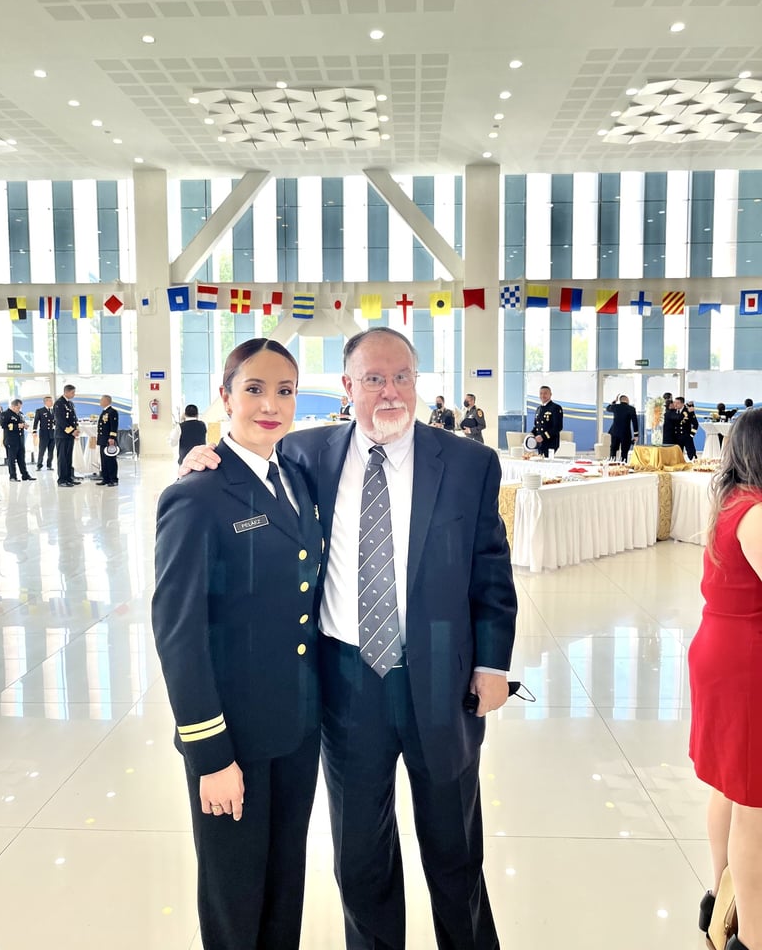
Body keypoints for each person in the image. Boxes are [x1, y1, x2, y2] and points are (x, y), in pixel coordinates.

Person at [182, 326, 519, 950]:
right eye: (373, 379)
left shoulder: (469, 464)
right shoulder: (307, 454)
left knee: (455, 853)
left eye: (401, 378)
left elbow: (491, 571)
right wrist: (201, 457)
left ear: (417, 383)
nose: (388, 392)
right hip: (345, 686)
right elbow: (242, 464)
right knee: (361, 860)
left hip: (442, 686)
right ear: (346, 388)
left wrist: (493, 663)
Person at [152, 339, 322, 950]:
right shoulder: (196, 496)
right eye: (254, 389)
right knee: (234, 895)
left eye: (285, 391)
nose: (270, 404)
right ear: (225, 398)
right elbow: (178, 634)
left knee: (284, 887)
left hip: (297, 730)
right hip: (234, 741)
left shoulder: (295, 478)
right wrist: (210, 755)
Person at [688, 408, 762, 950]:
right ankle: (753, 936)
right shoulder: (756, 511)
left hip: (723, 651)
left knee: (732, 788)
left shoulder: (733, 501)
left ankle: (719, 904)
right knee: (756, 806)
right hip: (747, 663)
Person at [54, 384, 81, 487]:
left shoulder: (69, 403)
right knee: (62, 458)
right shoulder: (59, 403)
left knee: (68, 457)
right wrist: (71, 431)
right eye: (72, 392)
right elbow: (60, 420)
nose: (74, 394)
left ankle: (69, 478)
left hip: (70, 435)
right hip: (62, 435)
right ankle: (62, 480)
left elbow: (73, 418)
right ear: (66, 392)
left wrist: (76, 429)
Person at [1, 399, 35, 482]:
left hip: (20, 439)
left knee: (21, 458)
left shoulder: (20, 414)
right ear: (13, 406)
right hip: (11, 440)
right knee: (11, 459)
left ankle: (25, 475)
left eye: (20, 407)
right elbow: (4, 425)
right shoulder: (5, 414)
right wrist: (17, 426)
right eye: (18, 407)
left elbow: (22, 423)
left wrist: (24, 425)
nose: (19, 409)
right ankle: (13, 476)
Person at [531, 385, 563, 457]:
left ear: (550, 394)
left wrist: (543, 436)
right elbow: (537, 426)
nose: (543, 395)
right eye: (541, 393)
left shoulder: (555, 408)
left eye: (545, 393)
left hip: (550, 443)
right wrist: (532, 434)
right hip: (540, 444)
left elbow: (558, 427)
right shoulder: (538, 409)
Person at [606, 395, 639, 462]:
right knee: (624, 452)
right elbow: (634, 422)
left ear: (620, 400)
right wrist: (636, 435)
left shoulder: (615, 407)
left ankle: (612, 465)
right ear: (627, 400)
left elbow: (607, 408)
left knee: (613, 449)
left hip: (615, 432)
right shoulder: (631, 409)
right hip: (625, 433)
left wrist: (614, 402)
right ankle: (623, 466)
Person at [96, 395, 119, 487]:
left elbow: (114, 426)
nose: (100, 402)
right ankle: (106, 478)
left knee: (110, 460)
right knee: (104, 460)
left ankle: (113, 479)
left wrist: (112, 438)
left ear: (106, 401)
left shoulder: (112, 412)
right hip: (103, 440)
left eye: (101, 400)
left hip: (109, 440)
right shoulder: (104, 411)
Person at [32, 396, 55, 470]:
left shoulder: (54, 411)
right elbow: (36, 421)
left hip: (52, 433)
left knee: (51, 450)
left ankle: (49, 465)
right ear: (46, 402)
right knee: (42, 450)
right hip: (44, 433)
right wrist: (34, 431)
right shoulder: (40, 410)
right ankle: (39, 465)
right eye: (50, 401)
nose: (52, 402)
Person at [674, 396, 698, 461]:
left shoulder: (688, 411)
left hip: (686, 436)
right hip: (677, 437)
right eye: (675, 402)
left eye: (677, 403)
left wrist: (691, 435)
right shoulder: (674, 411)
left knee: (691, 455)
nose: (675, 404)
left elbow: (695, 424)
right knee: (677, 455)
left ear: (682, 404)